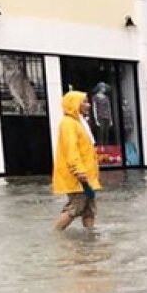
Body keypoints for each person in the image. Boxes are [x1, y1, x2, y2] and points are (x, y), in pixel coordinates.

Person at [52, 90, 101, 231]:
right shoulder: (68, 124)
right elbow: (71, 149)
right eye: (84, 102)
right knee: (75, 207)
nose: (88, 105)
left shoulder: (80, 123)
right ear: (74, 104)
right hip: (79, 176)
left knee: (89, 209)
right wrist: (79, 171)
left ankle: (90, 237)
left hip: (88, 175)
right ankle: (56, 234)